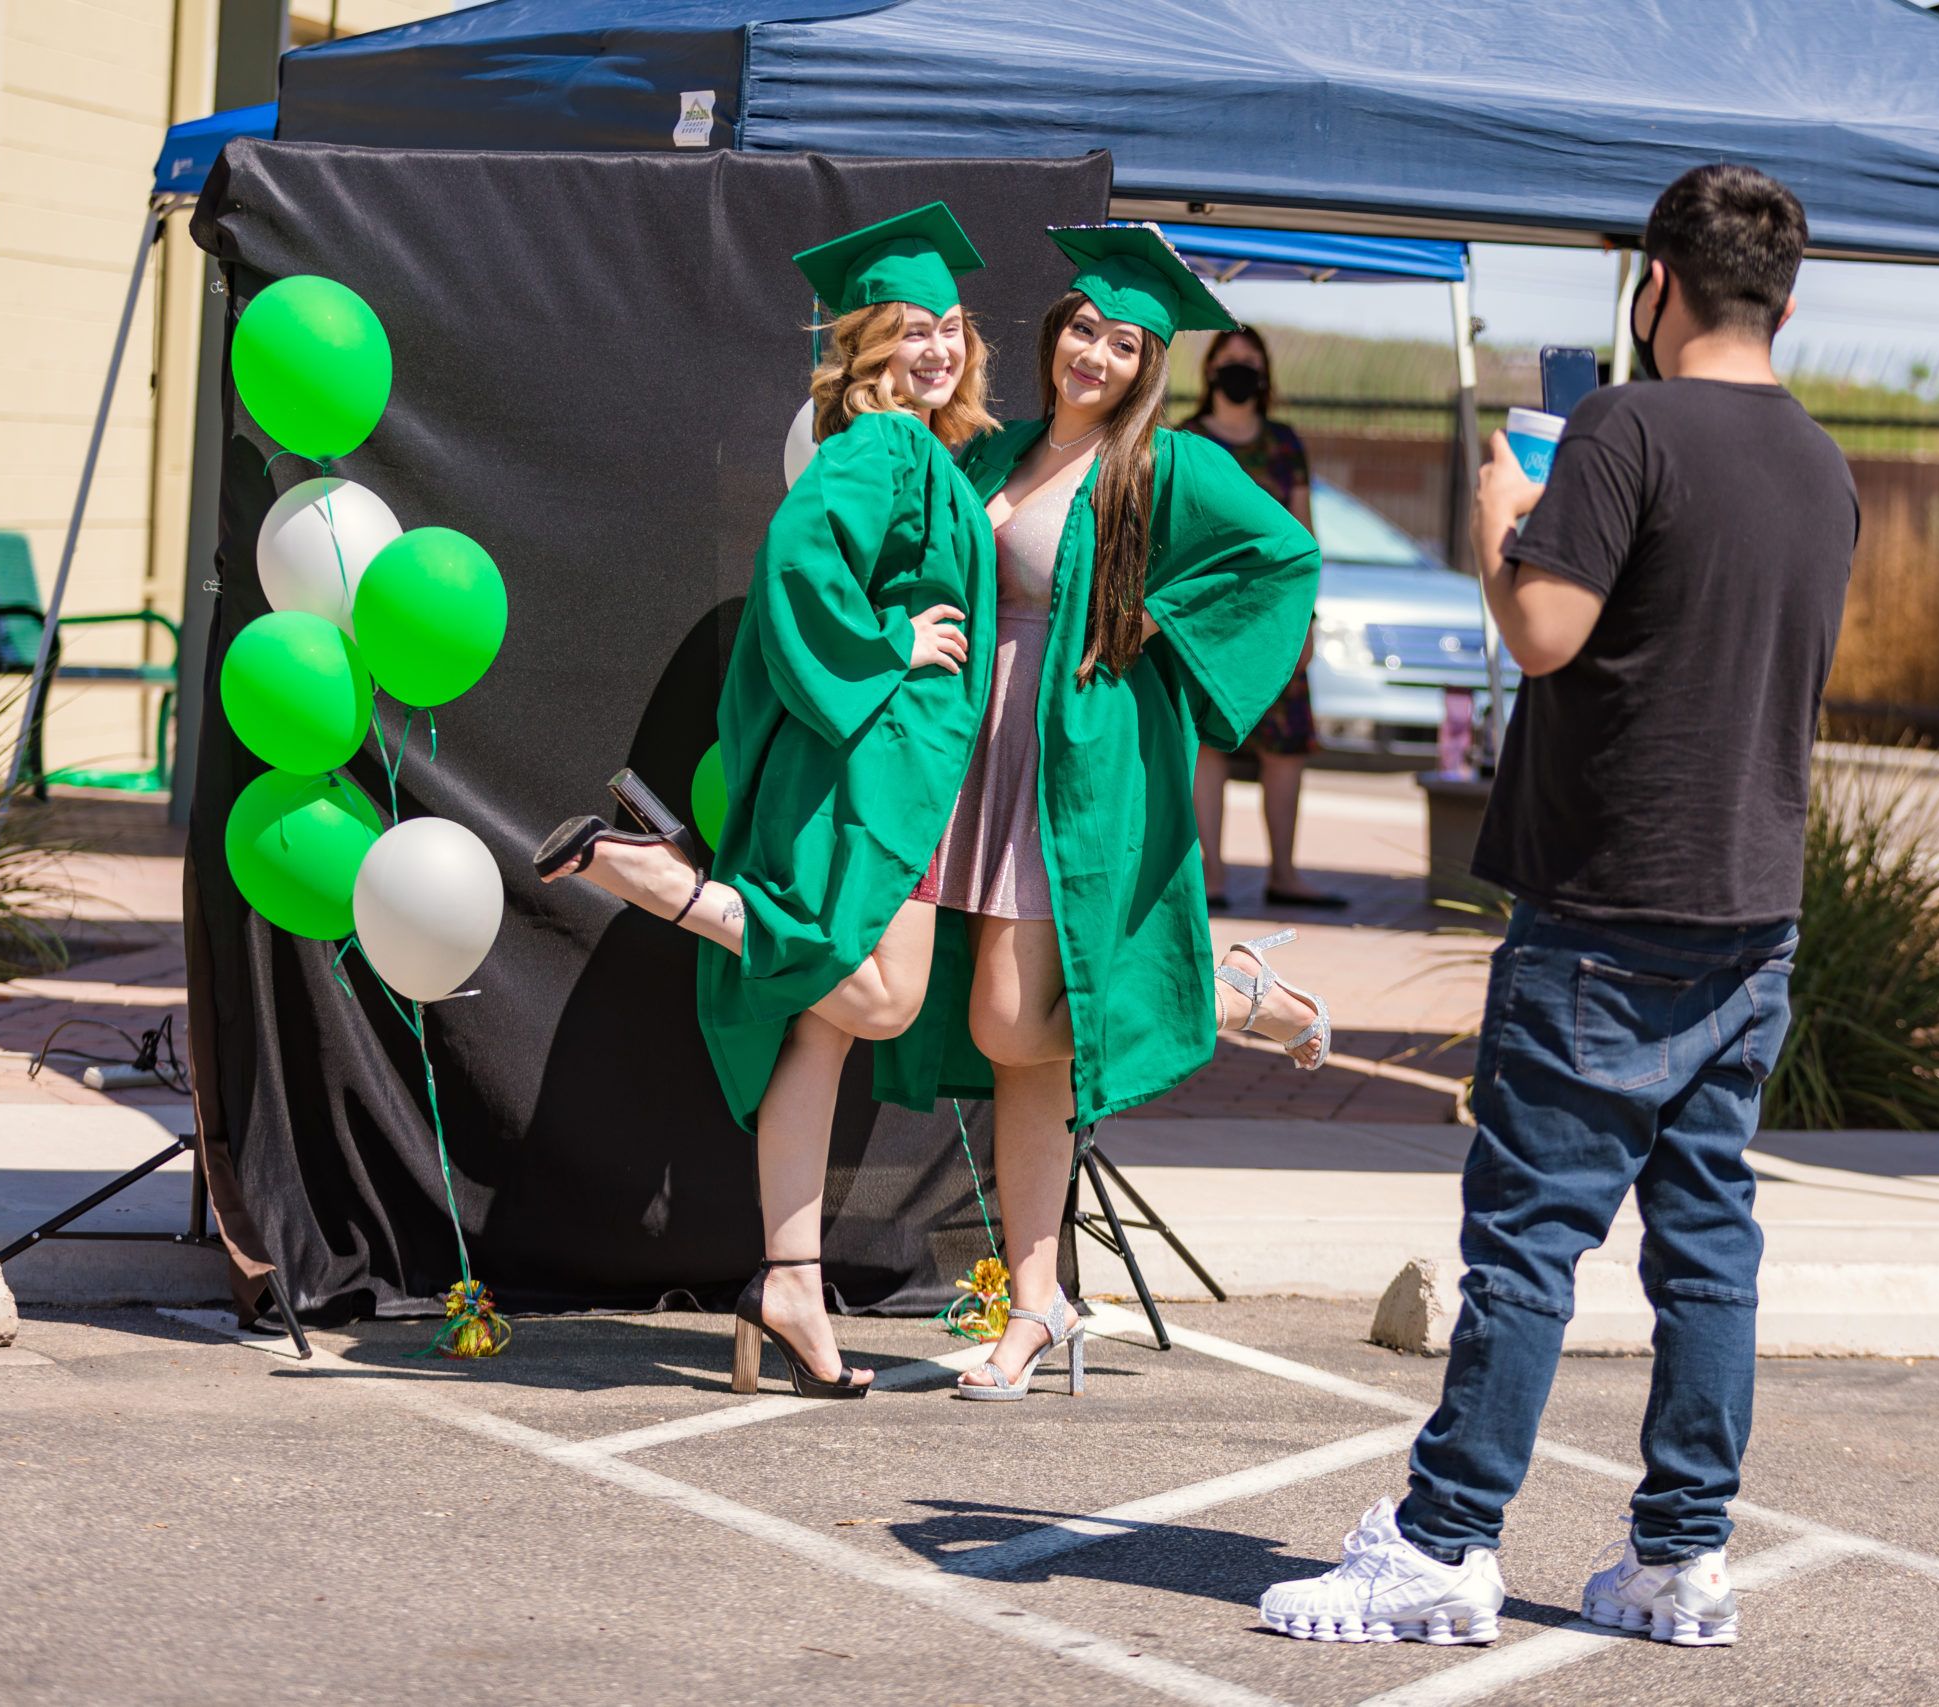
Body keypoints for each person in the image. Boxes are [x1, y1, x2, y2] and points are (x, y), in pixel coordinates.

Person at [1259, 164, 1855, 1649]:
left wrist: (1499, 520)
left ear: (1656, 283)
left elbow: (1543, 628)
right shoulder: (1823, 464)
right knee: (1707, 1240)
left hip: (1604, 901)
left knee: (1528, 1243)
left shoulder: (1624, 424)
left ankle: (1446, 1542)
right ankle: (1678, 1558)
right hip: (1749, 906)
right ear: (1791, 296)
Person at [532, 203, 996, 1400]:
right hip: (875, 765)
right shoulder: (883, 450)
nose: (936, 349)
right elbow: (796, 565)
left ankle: (789, 1279)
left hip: (894, 758)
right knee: (886, 998)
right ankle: (667, 886)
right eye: (910, 330)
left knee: (829, 1028)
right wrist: (896, 640)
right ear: (864, 343)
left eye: (949, 328)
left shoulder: (923, 454)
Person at [869, 224, 1324, 1399]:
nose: (1094, 355)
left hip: (1072, 761)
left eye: (1122, 344)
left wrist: (1154, 625)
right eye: (1082, 330)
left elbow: (1281, 560)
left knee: (1018, 1028)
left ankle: (1216, 992)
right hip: (971, 749)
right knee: (1011, 1050)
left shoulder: (1165, 467)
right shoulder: (996, 450)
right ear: (1052, 333)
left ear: (1147, 363)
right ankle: (1037, 1304)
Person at [1182, 326, 1342, 910]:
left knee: (1287, 748)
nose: (1240, 370)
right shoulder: (1188, 440)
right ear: (1210, 370)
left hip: (1279, 617)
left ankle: (1285, 873)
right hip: (1210, 620)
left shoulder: (1284, 443)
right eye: (1231, 360)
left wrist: (1308, 618)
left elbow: (1305, 536)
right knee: (1208, 745)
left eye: (1251, 361)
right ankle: (1213, 875)